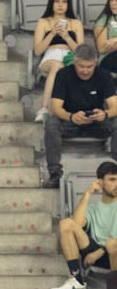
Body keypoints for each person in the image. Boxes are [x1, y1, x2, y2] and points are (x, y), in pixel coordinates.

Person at [45, 42, 117, 190]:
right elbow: (56, 108)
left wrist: (105, 114)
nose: (85, 71)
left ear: (95, 64)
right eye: (81, 66)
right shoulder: (63, 74)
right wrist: (71, 116)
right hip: (70, 121)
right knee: (52, 124)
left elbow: (114, 106)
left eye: (89, 67)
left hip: (97, 121)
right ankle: (54, 173)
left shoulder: (103, 75)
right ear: (75, 62)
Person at [50, 160, 117, 289]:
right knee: (66, 224)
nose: (116, 184)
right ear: (100, 182)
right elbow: (77, 224)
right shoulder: (93, 208)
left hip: (113, 251)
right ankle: (77, 282)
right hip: (96, 253)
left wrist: (101, 251)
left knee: (112, 244)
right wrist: (88, 193)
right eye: (112, 180)